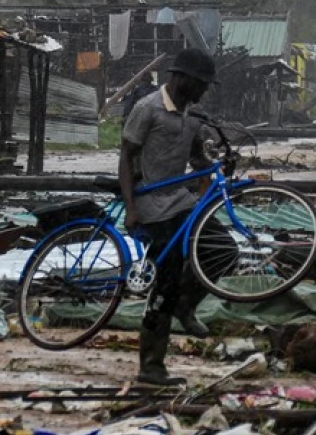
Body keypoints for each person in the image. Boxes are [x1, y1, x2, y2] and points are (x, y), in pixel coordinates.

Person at [120, 48, 234, 385]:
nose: (203, 92)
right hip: (151, 204)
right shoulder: (147, 109)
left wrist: (214, 174)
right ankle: (151, 366)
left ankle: (186, 305)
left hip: (181, 200)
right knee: (165, 278)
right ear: (182, 79)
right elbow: (126, 158)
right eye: (200, 85)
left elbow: (198, 159)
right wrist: (130, 208)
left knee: (223, 250)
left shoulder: (193, 116)